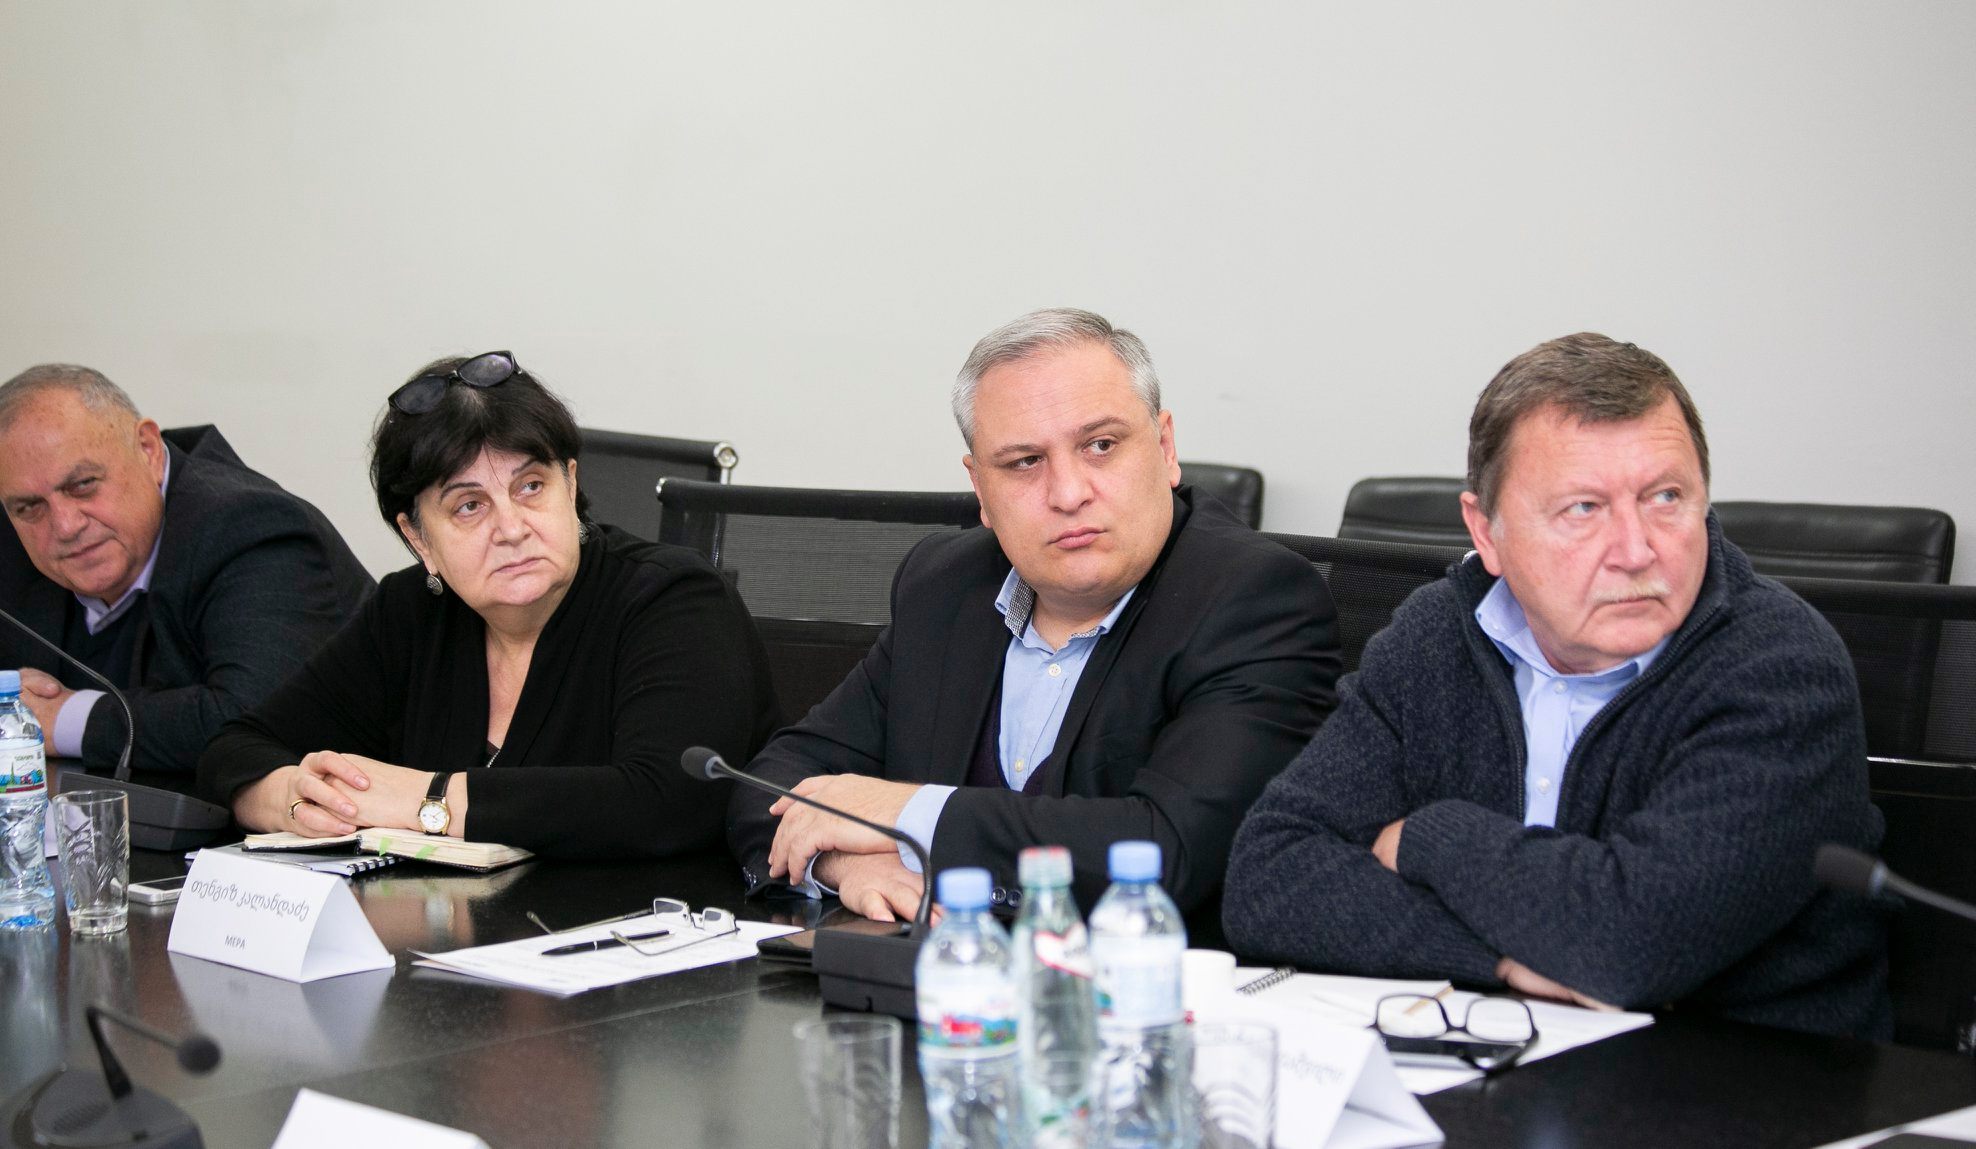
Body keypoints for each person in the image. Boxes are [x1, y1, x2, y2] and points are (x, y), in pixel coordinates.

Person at [1223, 333, 1888, 1037]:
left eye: (1666, 497)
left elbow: (1632, 943)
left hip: (1737, 1074)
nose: (1636, 550)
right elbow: (1268, 877)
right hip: (1486, 1048)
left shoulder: (1781, 665)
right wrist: (1502, 961)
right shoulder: (1438, 635)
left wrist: (1429, 837)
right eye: (1583, 509)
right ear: (1487, 532)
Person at [727, 309, 1341, 920]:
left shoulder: (1254, 598)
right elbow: (768, 784)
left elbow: (1168, 851)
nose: (1068, 493)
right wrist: (842, 862)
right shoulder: (945, 586)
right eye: (1024, 462)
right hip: (936, 971)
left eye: (1101, 446)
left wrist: (906, 815)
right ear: (980, 489)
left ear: (1165, 448)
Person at [198, 352, 781, 857]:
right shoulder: (410, 613)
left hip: (645, 937)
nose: (512, 528)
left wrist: (426, 799)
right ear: (419, 539)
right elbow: (235, 749)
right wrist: (292, 798)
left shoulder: (674, 598)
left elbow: (665, 802)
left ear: (571, 485)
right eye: (469, 506)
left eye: (531, 487)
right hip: (448, 937)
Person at [0, 365, 372, 774]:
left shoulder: (252, 527)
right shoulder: (13, 533)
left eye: (83, 484)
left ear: (148, 450)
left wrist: (62, 720)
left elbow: (256, 723)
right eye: (29, 507)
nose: (65, 526)